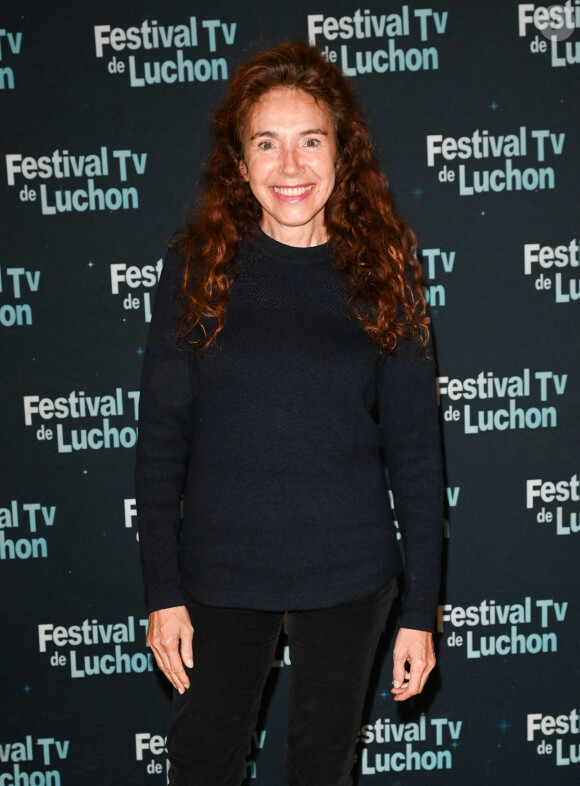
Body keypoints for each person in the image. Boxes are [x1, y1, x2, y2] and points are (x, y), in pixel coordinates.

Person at [136, 40, 443, 786]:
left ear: (344, 152)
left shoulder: (385, 271)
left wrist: (421, 612)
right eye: (265, 145)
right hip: (221, 574)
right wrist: (162, 594)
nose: (291, 167)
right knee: (203, 763)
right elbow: (159, 442)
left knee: (321, 768)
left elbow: (417, 454)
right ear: (239, 165)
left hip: (350, 574)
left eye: (311, 141)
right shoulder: (196, 267)